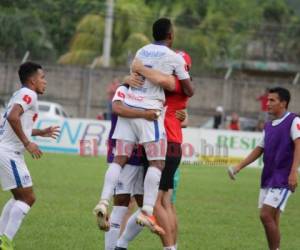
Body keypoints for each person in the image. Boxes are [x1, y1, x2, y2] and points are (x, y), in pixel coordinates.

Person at [94, 17, 192, 235]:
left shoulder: (140, 52)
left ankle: (102, 200)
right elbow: (188, 89)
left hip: (130, 108)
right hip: (149, 114)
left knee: (119, 160)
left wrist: (142, 71)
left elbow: (133, 78)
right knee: (157, 163)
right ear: (171, 35)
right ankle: (147, 210)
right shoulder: (173, 57)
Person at [115, 51, 194, 250]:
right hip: (169, 143)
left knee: (155, 204)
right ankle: (121, 245)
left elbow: (152, 80)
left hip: (162, 143)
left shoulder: (172, 83)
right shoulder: (178, 85)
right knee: (160, 203)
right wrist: (128, 78)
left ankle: (168, 248)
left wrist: (139, 68)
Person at [228, 87, 300, 250]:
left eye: (272, 100)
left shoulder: (293, 120)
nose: (267, 103)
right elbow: (259, 149)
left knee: (265, 215)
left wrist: (294, 171)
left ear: (283, 103)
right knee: (272, 220)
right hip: (268, 176)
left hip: (283, 178)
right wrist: (238, 166)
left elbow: (299, 145)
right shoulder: (268, 126)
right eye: (267, 100)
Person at [0, 62, 60, 249]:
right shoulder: (29, 94)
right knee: (28, 198)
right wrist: (27, 143)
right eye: (42, 78)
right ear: (32, 80)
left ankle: (2, 237)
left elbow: (17, 121)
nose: (45, 82)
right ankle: (6, 241)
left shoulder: (20, 94)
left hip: (7, 151)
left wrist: (39, 132)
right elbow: (12, 117)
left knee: (19, 197)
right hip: (10, 153)